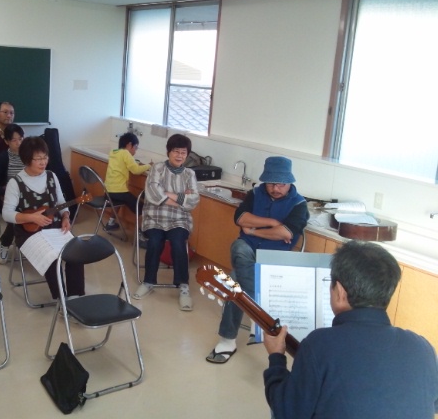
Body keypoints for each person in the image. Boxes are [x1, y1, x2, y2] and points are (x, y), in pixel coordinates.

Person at [263, 241, 438, 419]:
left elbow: (286, 411)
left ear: (340, 291)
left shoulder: (319, 343)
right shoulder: (423, 348)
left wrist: (276, 356)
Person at [206, 156, 308, 364]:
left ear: (289, 182)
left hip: (275, 259)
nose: (275, 188)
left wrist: (253, 230)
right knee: (238, 248)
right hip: (247, 250)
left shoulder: (299, 204)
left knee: (234, 283)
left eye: (280, 184)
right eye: (271, 183)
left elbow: (285, 233)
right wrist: (272, 222)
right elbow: (240, 218)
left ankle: (227, 340)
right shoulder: (255, 194)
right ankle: (258, 316)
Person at [1, 136, 83, 300]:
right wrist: (31, 217)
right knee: (52, 257)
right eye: (38, 159)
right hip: (28, 233)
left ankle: (75, 298)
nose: (43, 162)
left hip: (55, 227)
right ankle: (60, 300)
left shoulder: (52, 176)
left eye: (45, 157)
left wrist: (65, 217)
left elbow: (61, 202)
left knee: (76, 253)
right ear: (26, 159)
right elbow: (7, 213)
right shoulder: (16, 183)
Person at [131, 134, 199, 311]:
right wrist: (181, 198)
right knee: (155, 241)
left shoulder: (190, 174)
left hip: (179, 219)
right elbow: (153, 194)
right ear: (168, 152)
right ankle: (148, 281)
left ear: (187, 155)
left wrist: (167, 194)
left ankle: (183, 286)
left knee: (178, 242)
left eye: (183, 152)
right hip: (155, 216)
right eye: (176, 151)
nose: (179, 156)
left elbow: (194, 201)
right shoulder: (158, 168)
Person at [0, 123, 25, 256]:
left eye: (20, 139)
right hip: (10, 197)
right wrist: (6, 192)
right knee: (20, 213)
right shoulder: (4, 158)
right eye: (14, 140)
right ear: (7, 142)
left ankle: (32, 244)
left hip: (28, 195)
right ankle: (5, 244)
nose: (18, 143)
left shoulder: (29, 156)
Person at [104, 132, 151, 232]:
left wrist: (136, 162)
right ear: (129, 145)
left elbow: (126, 161)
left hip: (108, 191)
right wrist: (149, 165)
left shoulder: (114, 152)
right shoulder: (126, 153)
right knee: (141, 208)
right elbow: (136, 170)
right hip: (120, 192)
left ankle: (111, 222)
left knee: (117, 203)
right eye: (135, 148)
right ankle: (141, 234)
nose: (135, 151)